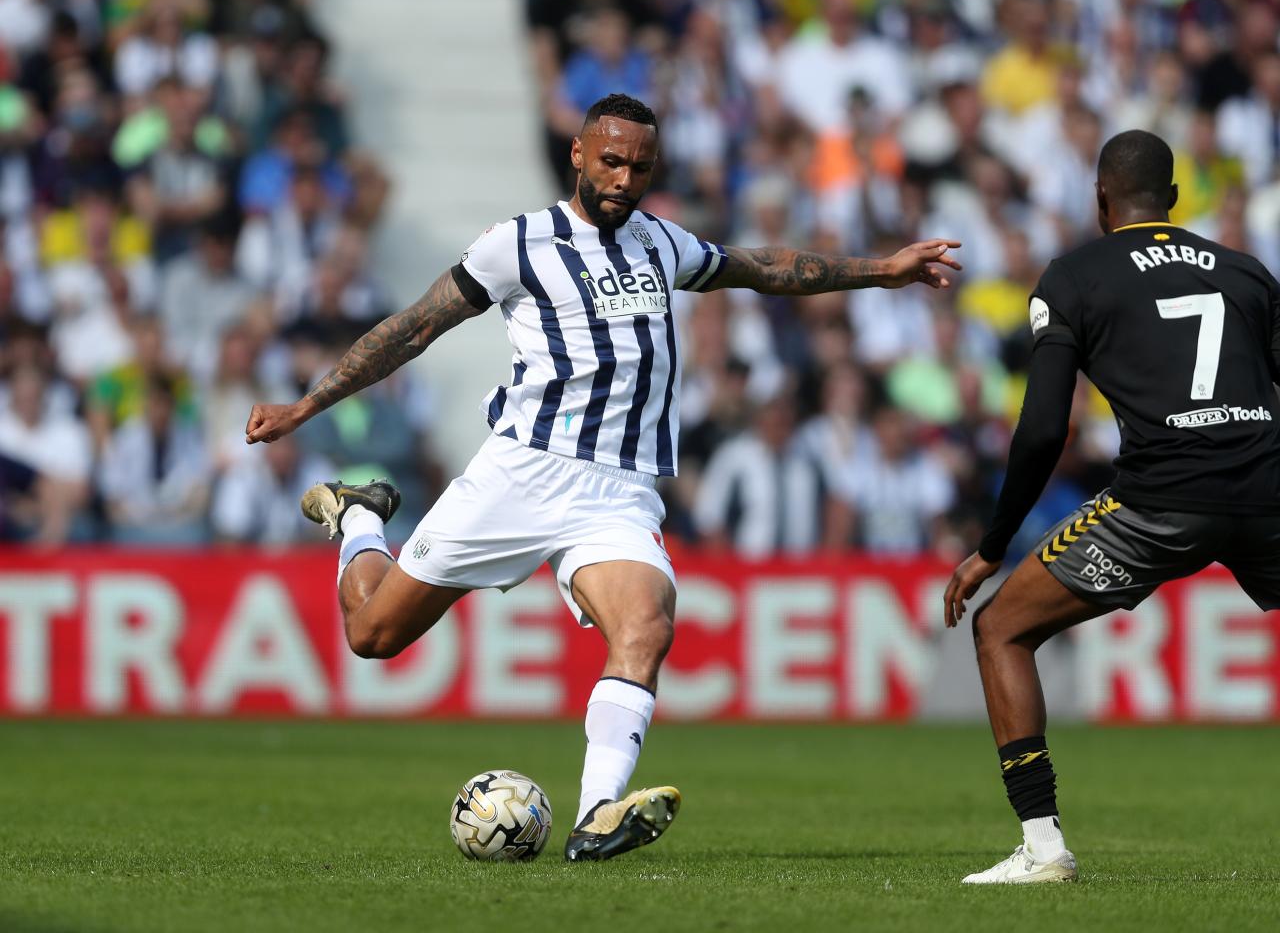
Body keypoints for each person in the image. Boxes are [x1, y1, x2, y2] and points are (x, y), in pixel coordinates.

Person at [244, 93, 961, 863]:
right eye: (612, 161)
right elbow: (414, 327)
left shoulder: (662, 243)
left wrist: (879, 270)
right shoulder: (517, 244)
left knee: (646, 625)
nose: (625, 179)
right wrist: (307, 405)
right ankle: (358, 518)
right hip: (521, 473)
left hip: (618, 491)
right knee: (372, 635)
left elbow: (764, 267)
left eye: (640, 166)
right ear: (580, 155)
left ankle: (595, 814)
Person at [943, 130, 1280, 884]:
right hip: (1266, 490)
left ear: (1101, 198)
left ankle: (1043, 847)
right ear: (1175, 199)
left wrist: (994, 543)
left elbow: (1041, 431)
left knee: (1000, 627)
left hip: (1160, 499)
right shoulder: (1247, 272)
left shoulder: (1073, 277)